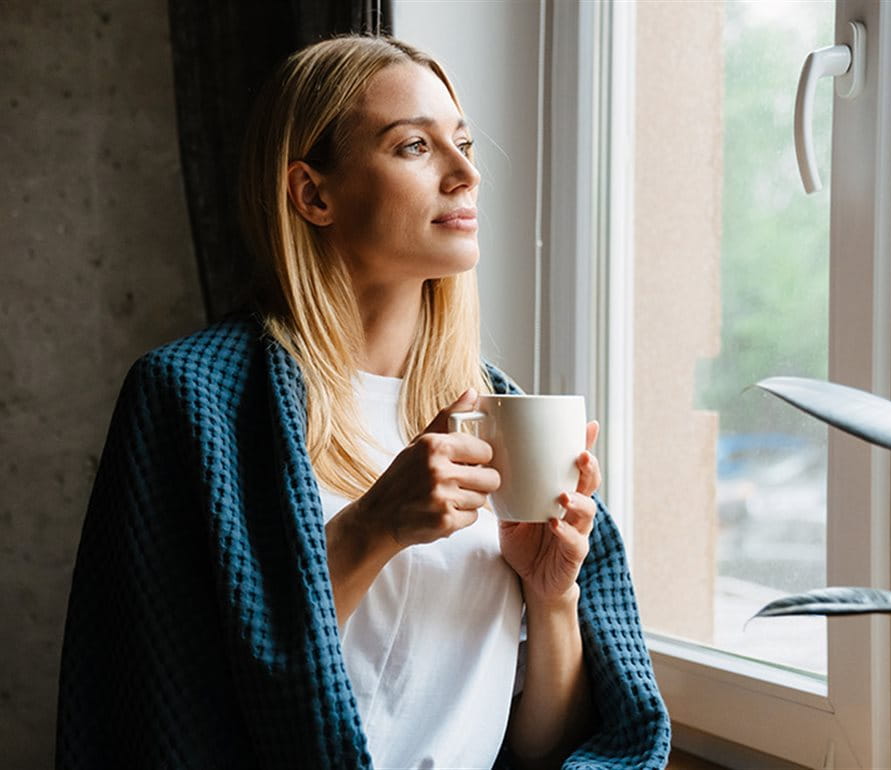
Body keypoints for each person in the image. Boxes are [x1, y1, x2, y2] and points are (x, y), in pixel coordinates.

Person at [55, 34, 670, 770]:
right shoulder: (190, 400)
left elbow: (542, 750)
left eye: (465, 142)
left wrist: (552, 597)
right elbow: (166, 709)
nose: (467, 173)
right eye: (414, 146)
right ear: (314, 194)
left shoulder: (496, 412)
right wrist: (372, 529)